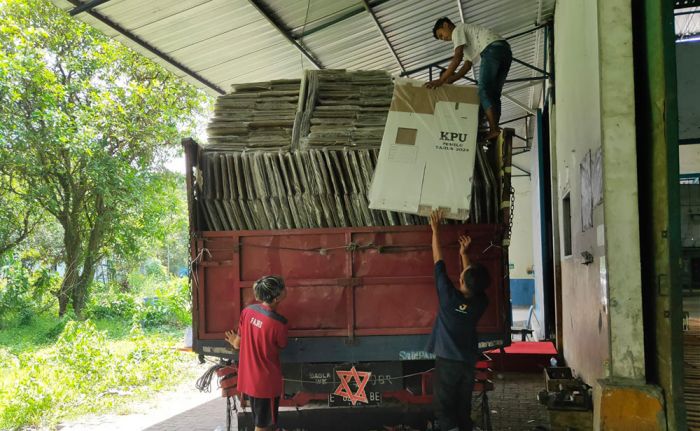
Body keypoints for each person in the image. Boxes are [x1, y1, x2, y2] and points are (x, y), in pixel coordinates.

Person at [427, 210, 490, 431]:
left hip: (448, 364)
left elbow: (438, 259)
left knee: (444, 409)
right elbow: (469, 282)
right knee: (462, 407)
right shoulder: (480, 303)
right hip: (466, 363)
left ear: (462, 278)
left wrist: (435, 230)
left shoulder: (448, 297)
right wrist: (465, 254)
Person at [425, 17, 512, 141]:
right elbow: (466, 66)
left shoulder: (458, 30)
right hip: (504, 50)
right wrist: (450, 80)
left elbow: (457, 58)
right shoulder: (467, 41)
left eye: (441, 35)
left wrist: (440, 80)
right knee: (493, 94)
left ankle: (494, 129)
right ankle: (495, 129)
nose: (443, 39)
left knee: (483, 90)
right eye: (441, 38)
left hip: (491, 49)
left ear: (446, 25)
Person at [225, 275, 288, 431]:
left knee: (261, 422)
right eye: (283, 288)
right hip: (266, 384)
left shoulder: (248, 311)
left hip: (249, 379)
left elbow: (238, 343)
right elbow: (281, 346)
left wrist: (233, 340)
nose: (286, 289)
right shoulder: (279, 323)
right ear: (277, 297)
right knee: (263, 426)